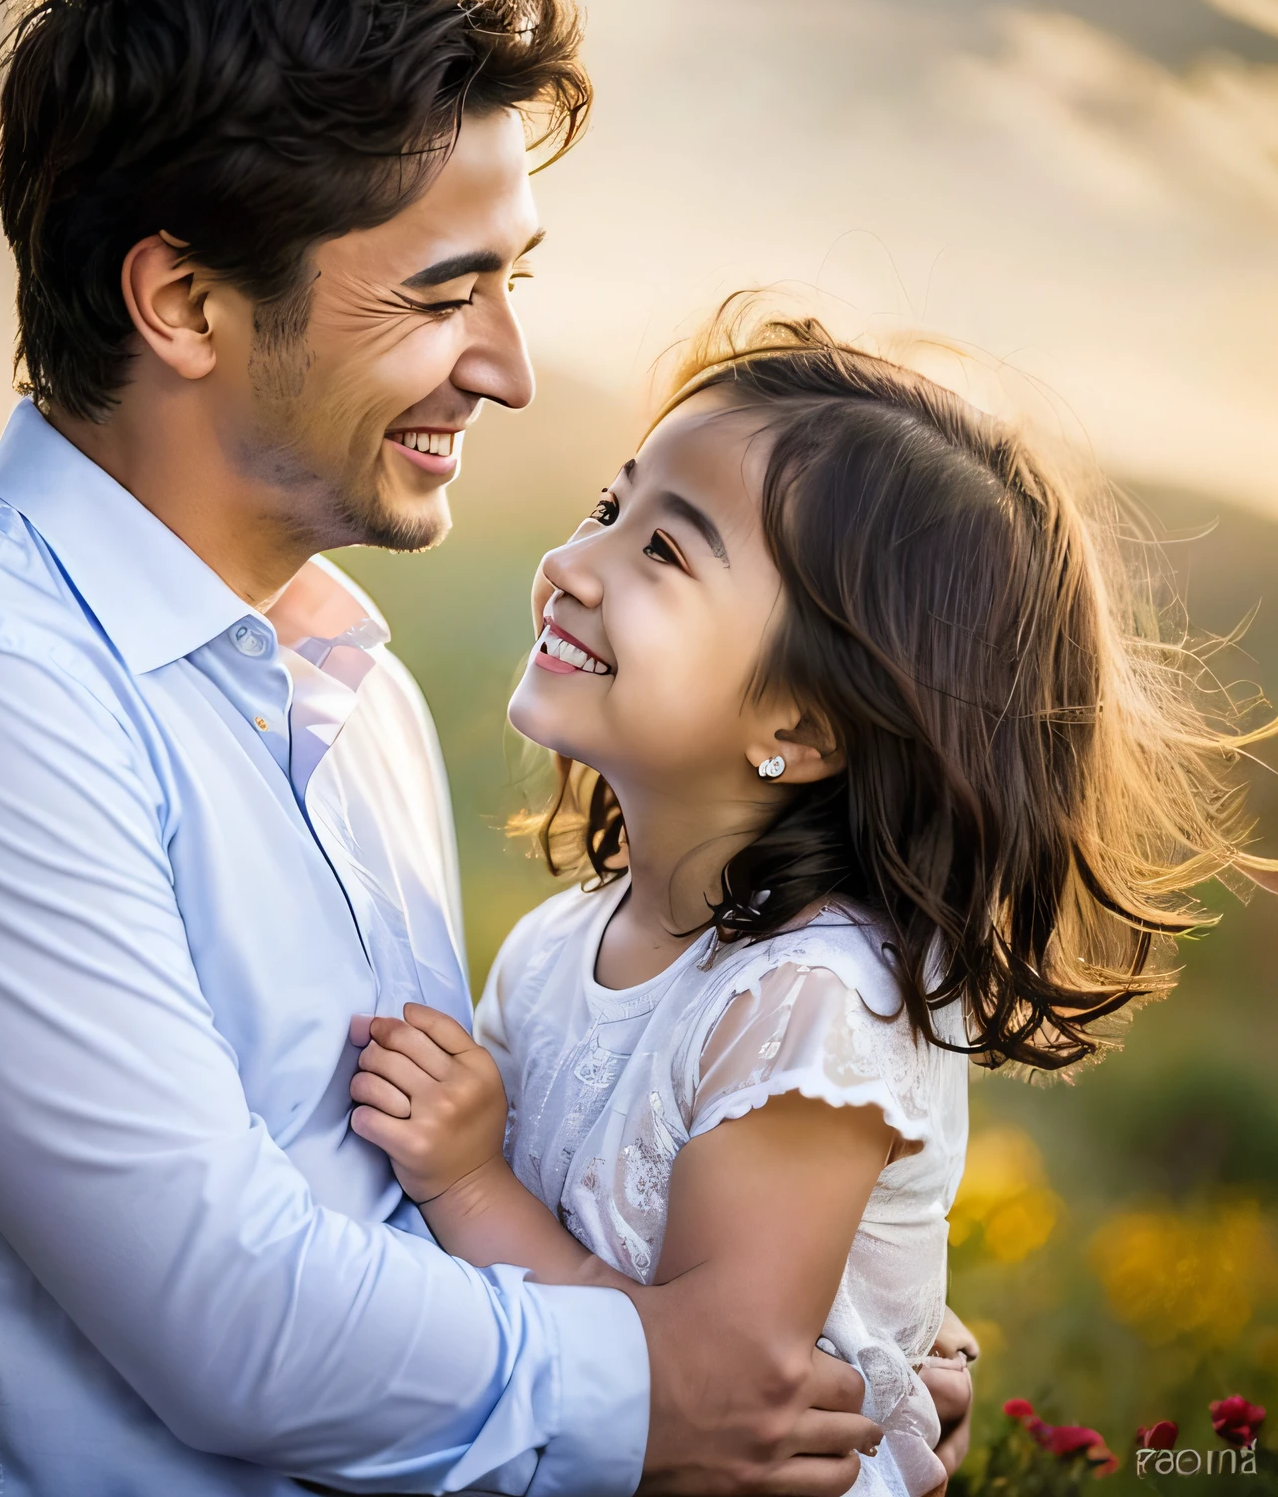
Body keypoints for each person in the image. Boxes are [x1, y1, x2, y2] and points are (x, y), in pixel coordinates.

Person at [0, 0, 960, 1495]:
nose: (508, 367)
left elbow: (419, 1203)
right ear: (183, 301)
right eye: (446, 293)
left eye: (508, 284)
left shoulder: (349, 689)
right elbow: (231, 1314)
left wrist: (841, 1332)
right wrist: (692, 1388)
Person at [347, 311, 1276, 1495]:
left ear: (802, 726)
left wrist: (469, 1185)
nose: (574, 565)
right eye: (606, 510)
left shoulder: (811, 1002)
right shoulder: (557, 945)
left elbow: (714, 1397)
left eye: (664, 554)